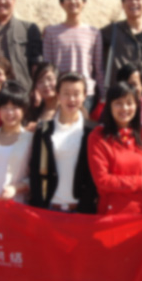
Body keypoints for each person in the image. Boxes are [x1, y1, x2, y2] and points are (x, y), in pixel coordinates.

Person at [87, 82, 142, 215]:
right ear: (109, 106)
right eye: (118, 103)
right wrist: (140, 183)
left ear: (137, 106)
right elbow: (102, 180)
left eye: (129, 103)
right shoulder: (98, 137)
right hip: (113, 214)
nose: (124, 108)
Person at [29, 73, 97, 213]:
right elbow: (35, 171)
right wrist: (39, 204)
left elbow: (95, 175)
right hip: (50, 208)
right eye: (66, 93)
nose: (71, 99)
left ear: (84, 96)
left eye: (76, 94)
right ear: (58, 95)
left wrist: (86, 205)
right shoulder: (43, 130)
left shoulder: (93, 131)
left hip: (81, 211)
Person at [43, 0, 104, 112]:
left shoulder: (94, 32)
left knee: (84, 125)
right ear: (62, 4)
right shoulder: (51, 32)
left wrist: (103, 95)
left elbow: (98, 68)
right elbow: (47, 67)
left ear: (84, 2)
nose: (73, 1)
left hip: (86, 94)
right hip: (60, 93)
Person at [26, 62, 59, 131]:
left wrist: (39, 126)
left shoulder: (68, 107)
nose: (46, 84)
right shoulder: (34, 111)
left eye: (50, 79)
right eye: (40, 81)